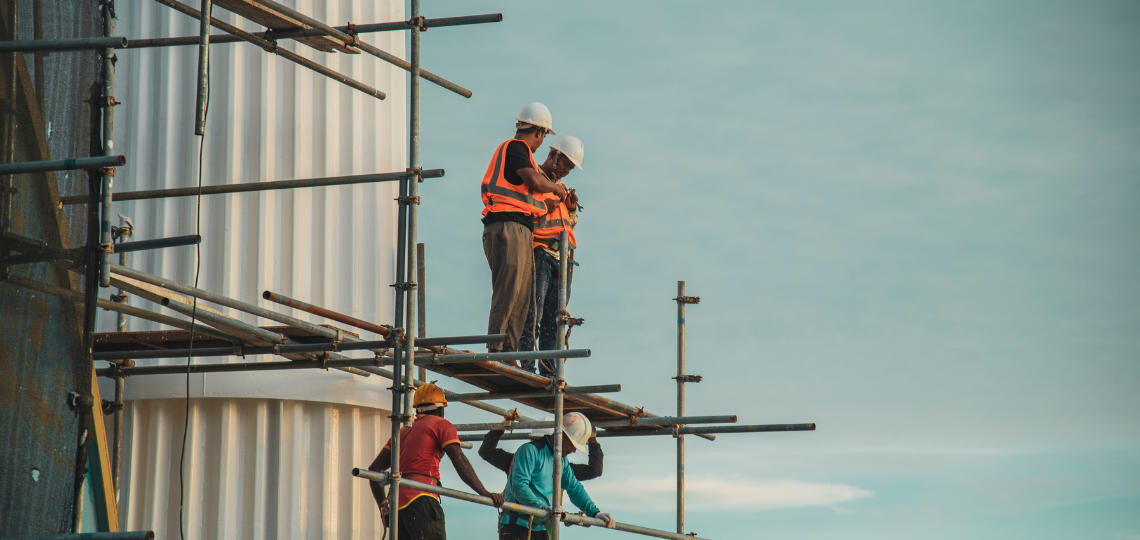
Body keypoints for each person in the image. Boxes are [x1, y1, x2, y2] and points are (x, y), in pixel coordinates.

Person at [482, 103, 568, 360]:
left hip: (518, 229)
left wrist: (545, 204)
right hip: (506, 228)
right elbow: (532, 180)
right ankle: (497, 349)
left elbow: (523, 195)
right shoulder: (516, 147)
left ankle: (509, 354)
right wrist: (556, 189)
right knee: (509, 291)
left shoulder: (521, 155)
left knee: (521, 298)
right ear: (540, 131)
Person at [368, 383, 504, 540]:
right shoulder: (441, 424)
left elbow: (374, 470)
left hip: (398, 507)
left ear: (417, 409)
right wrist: (484, 493)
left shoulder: (402, 432)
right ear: (441, 409)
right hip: (422, 499)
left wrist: (384, 507)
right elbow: (459, 460)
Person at [518, 135, 585, 375]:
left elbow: (568, 224)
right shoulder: (534, 177)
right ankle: (526, 365)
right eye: (565, 163)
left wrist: (572, 209)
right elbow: (527, 212)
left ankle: (549, 370)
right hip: (541, 253)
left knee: (554, 320)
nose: (567, 170)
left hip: (563, 259)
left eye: (570, 167)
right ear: (553, 155)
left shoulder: (561, 188)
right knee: (533, 311)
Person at [499, 413, 616, 539]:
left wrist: (595, 512)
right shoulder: (530, 451)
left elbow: (574, 487)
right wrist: (543, 509)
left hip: (542, 526)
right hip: (517, 526)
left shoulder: (561, 460)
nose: (574, 450)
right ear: (562, 434)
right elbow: (519, 487)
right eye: (573, 444)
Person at [478, 416, 603, 481]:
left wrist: (591, 439)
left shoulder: (561, 468)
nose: (539, 447)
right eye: (536, 442)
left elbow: (594, 471)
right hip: (518, 522)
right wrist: (503, 425)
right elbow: (486, 451)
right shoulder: (517, 461)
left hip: (545, 525)